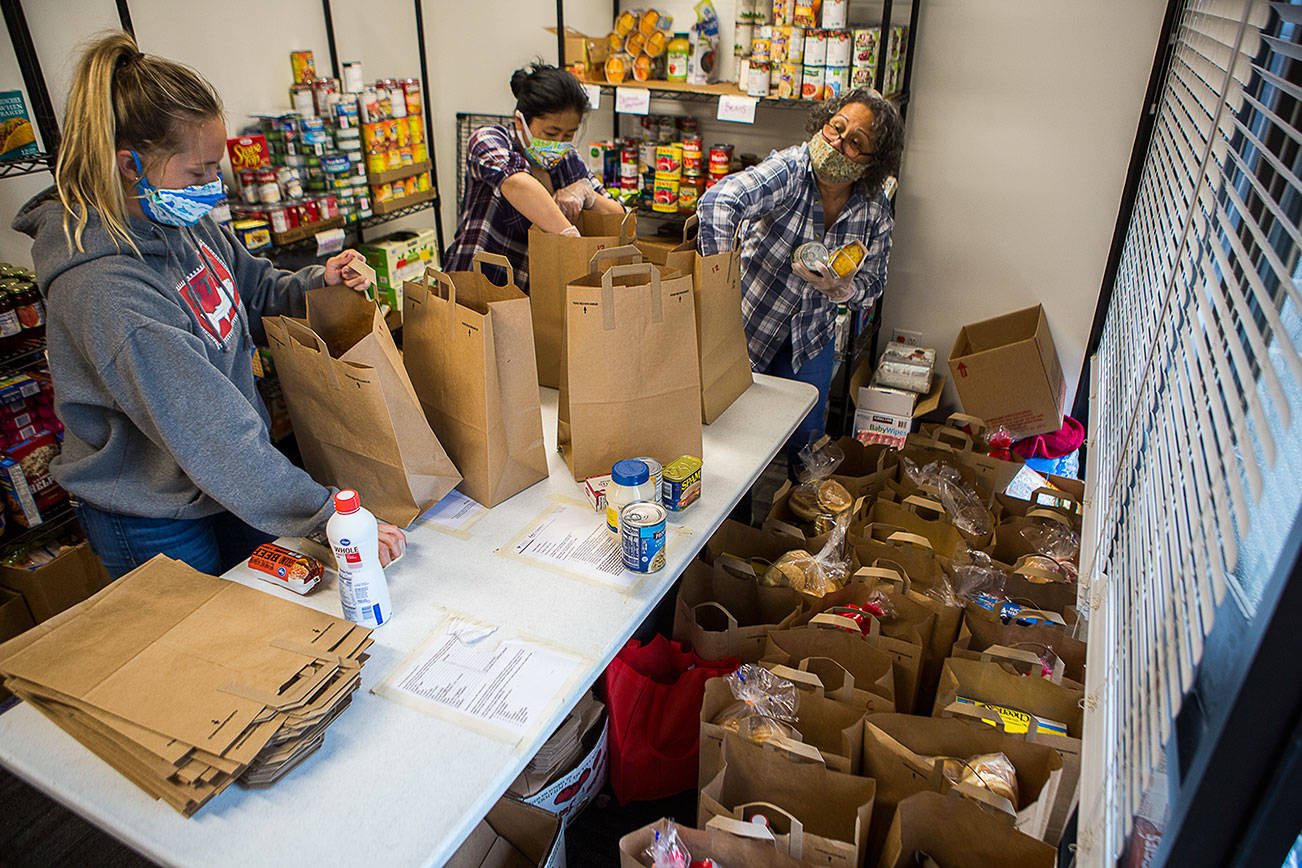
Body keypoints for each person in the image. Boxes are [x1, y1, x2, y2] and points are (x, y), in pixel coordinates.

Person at [12, 33, 406, 579]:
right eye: (198, 173)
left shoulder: (176, 215)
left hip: (226, 481)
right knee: (202, 651)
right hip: (154, 512)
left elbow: (252, 290)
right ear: (130, 165)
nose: (213, 188)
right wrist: (325, 514)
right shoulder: (105, 288)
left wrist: (320, 282)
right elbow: (210, 431)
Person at [697, 87, 904, 465]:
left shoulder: (874, 209)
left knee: (807, 443)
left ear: (873, 163)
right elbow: (719, 202)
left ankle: (794, 515)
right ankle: (739, 518)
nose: (838, 144)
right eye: (835, 128)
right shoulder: (792, 171)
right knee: (734, 437)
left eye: (855, 142)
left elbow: (874, 283)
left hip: (810, 337)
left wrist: (845, 290)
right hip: (747, 325)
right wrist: (720, 280)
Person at [444, 62, 624, 291]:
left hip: (528, 300)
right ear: (520, 122)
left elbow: (617, 216)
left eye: (569, 134)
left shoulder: (568, 162)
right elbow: (518, 184)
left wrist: (586, 193)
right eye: (550, 133)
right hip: (472, 289)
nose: (559, 143)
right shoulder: (488, 140)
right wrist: (570, 237)